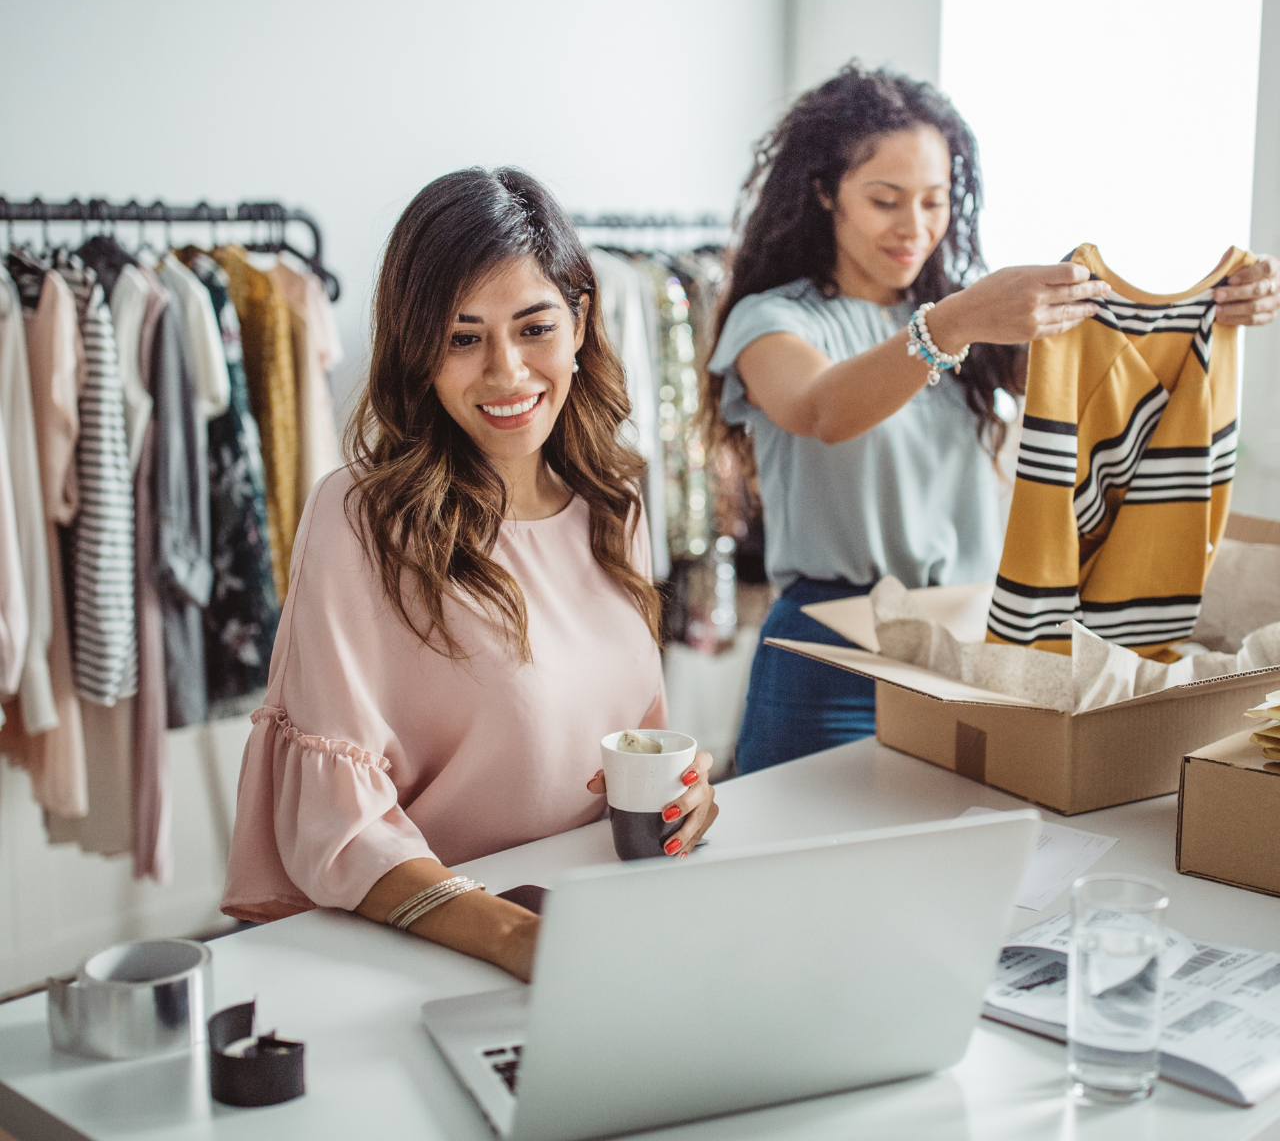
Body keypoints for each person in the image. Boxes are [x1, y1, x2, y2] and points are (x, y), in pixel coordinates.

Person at [705, 61, 1280, 776]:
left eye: (934, 201)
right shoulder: (777, 320)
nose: (914, 227)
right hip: (831, 653)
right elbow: (822, 410)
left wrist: (1217, 309)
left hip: (965, 643)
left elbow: (1108, 377)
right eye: (885, 200)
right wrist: (953, 323)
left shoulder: (968, 324)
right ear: (826, 193)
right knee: (792, 868)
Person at [222, 168, 718, 981]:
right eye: (463, 337)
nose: (507, 374)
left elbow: (632, 741)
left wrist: (686, 796)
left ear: (581, 321)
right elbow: (338, 827)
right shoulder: (361, 520)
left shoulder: (612, 500)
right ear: (418, 350)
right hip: (429, 954)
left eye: (534, 328)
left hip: (603, 926)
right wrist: (517, 940)